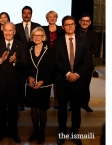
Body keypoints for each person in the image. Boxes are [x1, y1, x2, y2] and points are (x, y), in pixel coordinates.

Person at [0, 22, 27, 143]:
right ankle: (0, 133)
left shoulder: (21, 45)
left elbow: (25, 63)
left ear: (14, 31)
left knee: (13, 111)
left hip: (14, 85)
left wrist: (16, 61)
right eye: (5, 30)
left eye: (10, 30)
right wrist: (0, 60)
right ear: (2, 31)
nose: (8, 33)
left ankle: (13, 134)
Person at [54, 16, 89, 145]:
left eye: (72, 24)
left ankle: (75, 134)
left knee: (76, 109)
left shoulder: (83, 41)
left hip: (78, 81)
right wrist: (68, 73)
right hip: (63, 80)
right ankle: (62, 134)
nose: (70, 26)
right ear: (63, 27)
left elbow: (87, 61)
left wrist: (77, 74)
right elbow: (56, 61)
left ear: (75, 25)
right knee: (62, 109)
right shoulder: (57, 42)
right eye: (67, 24)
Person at [25, 27, 54, 144]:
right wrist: (29, 77)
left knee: (42, 110)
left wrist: (43, 81)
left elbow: (51, 69)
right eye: (35, 35)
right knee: (33, 109)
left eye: (39, 35)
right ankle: (35, 131)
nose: (37, 37)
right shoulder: (28, 50)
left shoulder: (50, 50)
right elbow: (26, 66)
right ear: (32, 37)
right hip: (31, 84)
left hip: (44, 85)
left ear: (43, 37)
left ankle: (42, 133)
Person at [15, 6, 41, 111]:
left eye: (28, 13)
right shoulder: (16, 27)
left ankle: (32, 101)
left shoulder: (37, 26)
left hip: (34, 56)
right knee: (21, 81)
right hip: (21, 57)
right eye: (24, 13)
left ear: (31, 14)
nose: (26, 15)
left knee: (34, 78)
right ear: (21, 14)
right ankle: (21, 102)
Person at [75, 13, 98, 112]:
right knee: (74, 86)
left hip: (88, 64)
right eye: (83, 20)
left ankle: (85, 104)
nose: (84, 23)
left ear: (90, 22)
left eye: (87, 21)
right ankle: (73, 104)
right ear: (79, 22)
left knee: (85, 85)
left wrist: (83, 56)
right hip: (74, 64)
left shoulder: (94, 34)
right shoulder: (74, 32)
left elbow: (94, 49)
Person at [42, 10, 65, 110]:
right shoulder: (42, 29)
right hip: (46, 57)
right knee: (46, 79)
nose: (52, 18)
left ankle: (56, 101)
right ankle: (45, 101)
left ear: (56, 18)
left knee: (57, 81)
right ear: (47, 19)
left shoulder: (61, 30)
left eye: (54, 17)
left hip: (58, 57)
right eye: (50, 17)